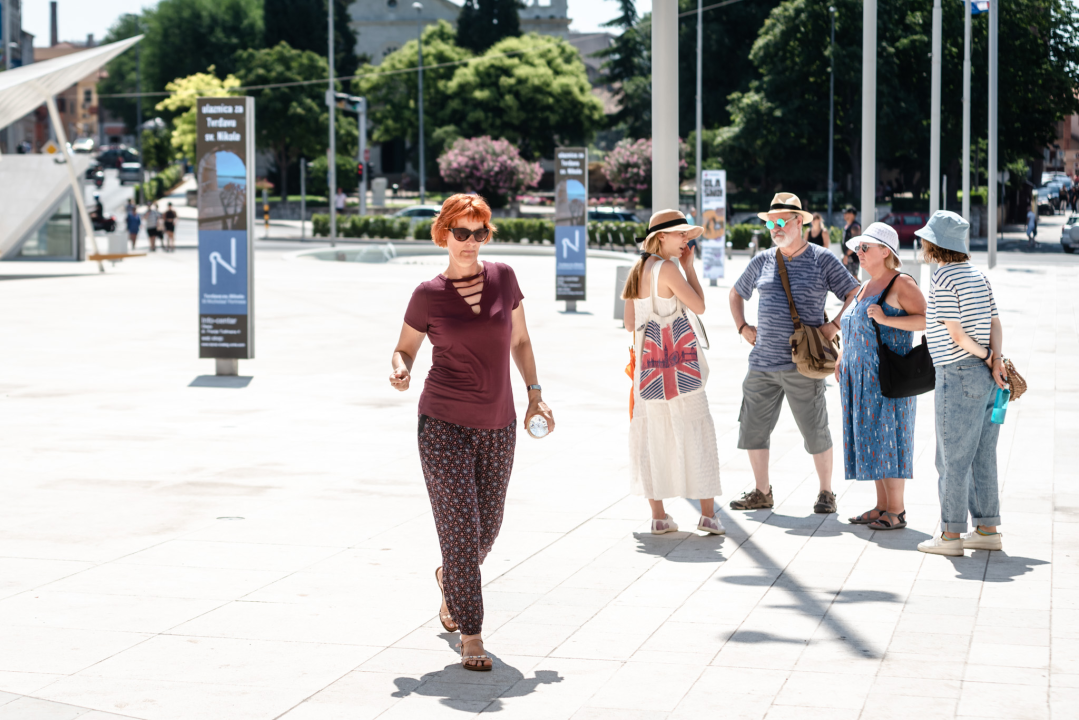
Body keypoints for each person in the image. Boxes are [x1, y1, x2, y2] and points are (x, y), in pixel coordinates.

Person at [389, 193, 555, 671]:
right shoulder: (428, 294)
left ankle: (450, 577)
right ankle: (472, 634)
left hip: (499, 424)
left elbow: (520, 339)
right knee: (462, 531)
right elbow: (404, 349)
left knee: (486, 529)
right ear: (443, 234)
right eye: (460, 232)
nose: (469, 242)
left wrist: (535, 394)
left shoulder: (504, 278)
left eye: (478, 232)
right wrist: (400, 369)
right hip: (442, 423)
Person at [729, 193, 860, 514]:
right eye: (770, 222)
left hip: (805, 363)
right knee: (753, 428)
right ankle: (762, 492)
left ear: (799, 221)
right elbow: (736, 293)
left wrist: (832, 327)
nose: (774, 227)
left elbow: (855, 293)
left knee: (815, 430)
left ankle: (826, 492)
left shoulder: (822, 258)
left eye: (780, 221)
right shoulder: (761, 259)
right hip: (761, 363)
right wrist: (742, 327)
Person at [623, 210, 724, 536]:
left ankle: (659, 516)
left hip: (648, 372)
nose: (686, 240)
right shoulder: (668, 268)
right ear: (661, 237)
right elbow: (699, 306)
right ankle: (707, 515)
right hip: (680, 370)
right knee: (696, 431)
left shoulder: (636, 271)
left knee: (652, 436)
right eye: (680, 234)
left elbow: (628, 324)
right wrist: (689, 269)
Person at [915, 211, 1007, 556]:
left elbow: (955, 333)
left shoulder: (942, 278)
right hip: (987, 376)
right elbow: (996, 323)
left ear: (934, 244)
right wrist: (995, 359)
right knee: (983, 455)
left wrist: (984, 354)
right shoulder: (979, 276)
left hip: (957, 372)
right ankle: (987, 529)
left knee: (951, 457)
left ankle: (951, 536)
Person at [837, 222, 926, 531]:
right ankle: (881, 506)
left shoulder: (900, 283)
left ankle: (897, 511)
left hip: (886, 376)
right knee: (871, 439)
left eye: (866, 248)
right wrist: (840, 357)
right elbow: (852, 327)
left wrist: (888, 318)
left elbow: (926, 320)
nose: (858, 253)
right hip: (857, 378)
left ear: (885, 252)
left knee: (889, 438)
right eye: (858, 248)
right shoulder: (865, 285)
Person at [842, 207, 861, 277]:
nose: (844, 214)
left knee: (853, 279)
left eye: (846, 213)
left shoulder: (855, 227)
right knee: (847, 279)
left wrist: (846, 255)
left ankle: (864, 287)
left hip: (853, 258)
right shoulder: (847, 226)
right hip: (847, 257)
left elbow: (856, 244)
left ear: (852, 215)